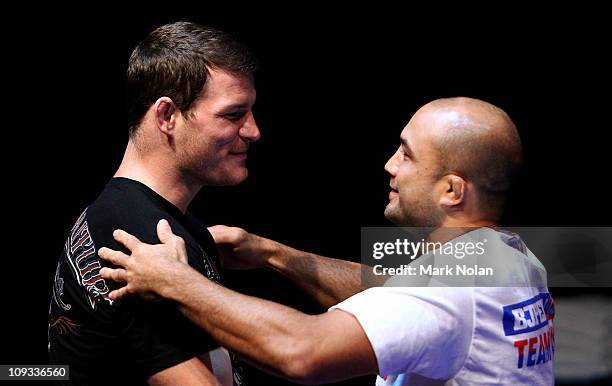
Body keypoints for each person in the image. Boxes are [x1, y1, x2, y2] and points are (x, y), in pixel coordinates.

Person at [98, 97, 556, 385]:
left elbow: (303, 351)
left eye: (407, 155)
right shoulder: (511, 258)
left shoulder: (452, 292)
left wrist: (175, 281)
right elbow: (393, 293)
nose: (390, 166)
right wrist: (274, 255)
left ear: (452, 190)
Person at [48, 21, 260, 385]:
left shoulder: (155, 223)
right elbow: (303, 353)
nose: (254, 131)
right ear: (167, 116)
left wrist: (274, 255)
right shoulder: (141, 239)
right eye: (232, 114)